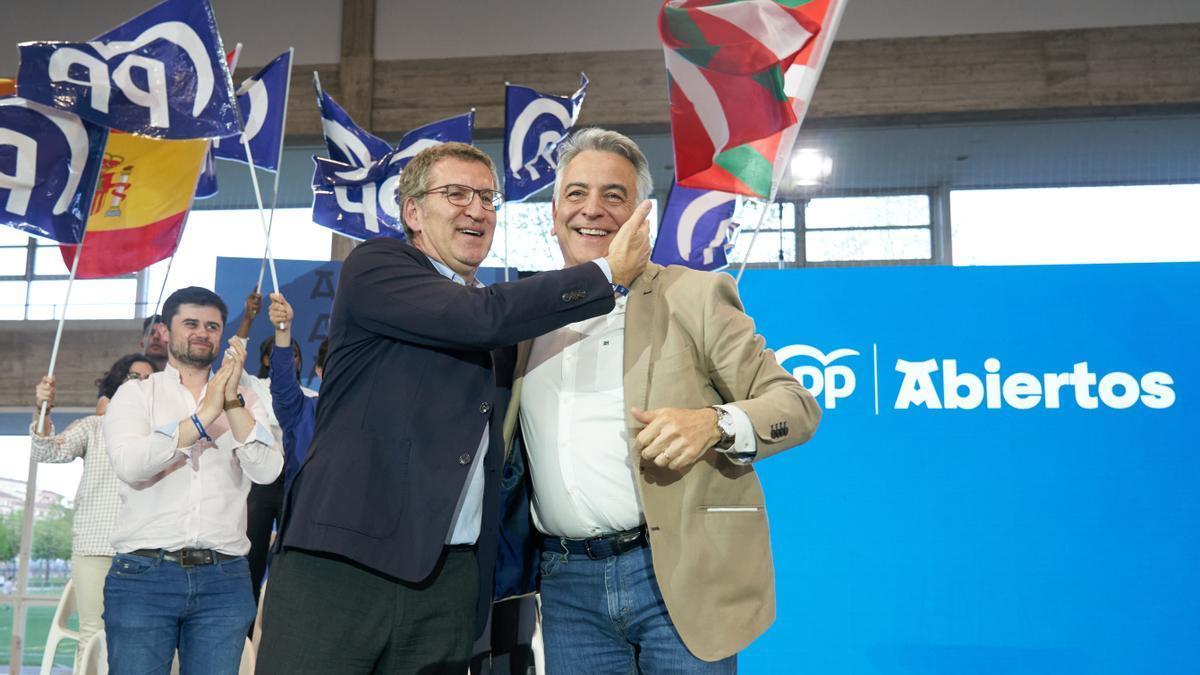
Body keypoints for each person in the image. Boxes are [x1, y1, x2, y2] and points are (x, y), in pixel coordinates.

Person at [256, 141, 651, 674]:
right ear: (412, 212)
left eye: (488, 198)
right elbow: (477, 318)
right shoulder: (378, 266)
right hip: (342, 567)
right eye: (457, 193)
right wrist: (606, 274)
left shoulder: (501, 319)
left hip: (450, 583)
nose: (477, 209)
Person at [499, 128, 822, 672]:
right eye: (576, 194)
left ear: (640, 217)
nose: (592, 210)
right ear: (554, 213)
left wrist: (713, 423)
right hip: (565, 584)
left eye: (613, 195)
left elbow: (794, 404)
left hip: (675, 573)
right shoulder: (524, 317)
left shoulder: (692, 295)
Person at [102, 286, 283, 673]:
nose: (203, 332)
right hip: (144, 574)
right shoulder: (136, 394)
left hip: (225, 577)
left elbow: (267, 470)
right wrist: (201, 420)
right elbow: (131, 465)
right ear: (166, 331)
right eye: (191, 323)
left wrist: (230, 403)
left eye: (213, 326)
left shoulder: (248, 400)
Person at [31, 353, 153, 674]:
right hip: (95, 547)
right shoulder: (94, 426)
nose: (142, 383)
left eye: (149, 379)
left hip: (145, 550)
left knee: (145, 639)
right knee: (93, 635)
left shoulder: (162, 435)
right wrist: (44, 409)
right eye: (134, 377)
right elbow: (46, 450)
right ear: (117, 385)